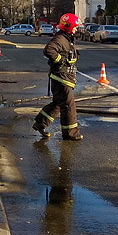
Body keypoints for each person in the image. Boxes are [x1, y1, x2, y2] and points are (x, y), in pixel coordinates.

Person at [33, 13, 83, 141]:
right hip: (61, 78)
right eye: (75, 27)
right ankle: (71, 133)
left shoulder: (67, 38)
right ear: (68, 26)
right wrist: (60, 60)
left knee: (58, 104)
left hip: (62, 78)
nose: (77, 29)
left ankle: (40, 123)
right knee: (69, 105)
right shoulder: (60, 39)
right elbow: (49, 50)